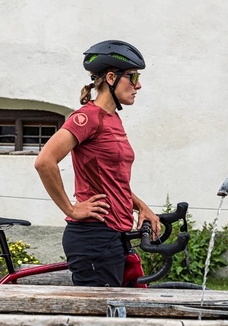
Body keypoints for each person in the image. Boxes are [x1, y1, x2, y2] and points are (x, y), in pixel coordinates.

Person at [34, 39, 161, 287]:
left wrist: (141, 206)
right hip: (94, 237)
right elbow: (44, 161)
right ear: (112, 78)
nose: (139, 85)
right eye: (133, 78)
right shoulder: (86, 117)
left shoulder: (112, 119)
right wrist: (71, 209)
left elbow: (111, 179)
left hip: (114, 235)